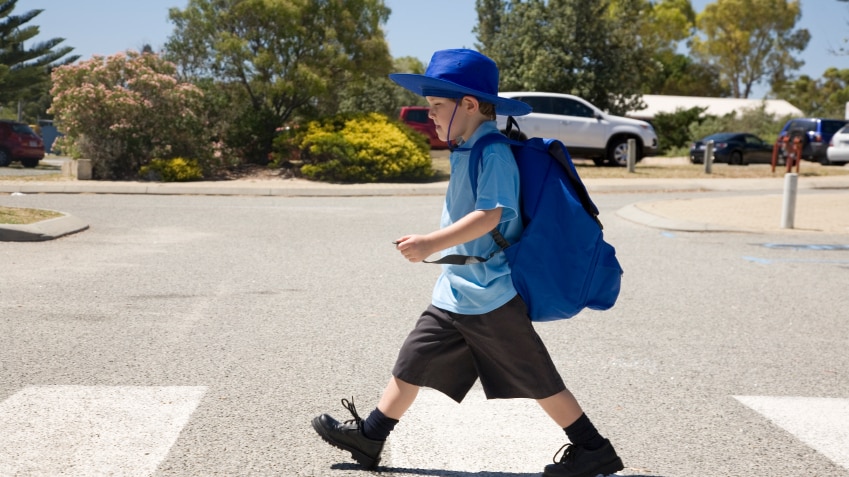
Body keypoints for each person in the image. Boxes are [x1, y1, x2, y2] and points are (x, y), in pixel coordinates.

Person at [311, 48, 624, 477]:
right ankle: (370, 436)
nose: (431, 117)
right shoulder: (466, 147)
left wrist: (429, 243)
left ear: (470, 105)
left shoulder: (492, 150)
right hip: (460, 288)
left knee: (537, 377)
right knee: (413, 361)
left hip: (490, 294)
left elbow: (490, 215)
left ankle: (594, 449)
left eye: (438, 107)